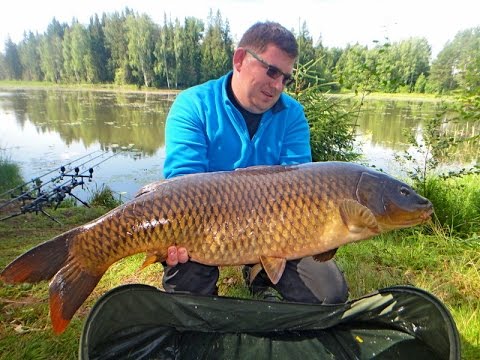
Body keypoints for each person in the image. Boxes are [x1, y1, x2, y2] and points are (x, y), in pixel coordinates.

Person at [162, 21, 348, 304]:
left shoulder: (292, 115)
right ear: (239, 60)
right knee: (188, 296)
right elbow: (181, 186)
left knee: (329, 295)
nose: (277, 86)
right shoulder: (193, 105)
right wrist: (173, 235)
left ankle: (257, 272)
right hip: (205, 229)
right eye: (271, 71)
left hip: (277, 232)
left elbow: (301, 191)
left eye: (285, 78)